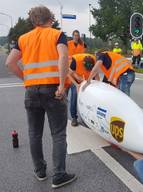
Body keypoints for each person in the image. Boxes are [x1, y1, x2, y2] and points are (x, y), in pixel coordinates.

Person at [5, 6, 77, 189]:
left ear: (33, 21)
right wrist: (62, 84)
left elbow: (10, 62)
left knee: (34, 133)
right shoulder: (57, 35)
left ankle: (40, 171)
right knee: (58, 134)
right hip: (53, 89)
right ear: (50, 19)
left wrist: (27, 80)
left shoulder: (23, 39)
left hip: (32, 91)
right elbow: (63, 57)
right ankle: (59, 175)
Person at [68, 53, 100, 126]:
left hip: (87, 79)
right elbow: (69, 74)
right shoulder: (75, 61)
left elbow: (96, 75)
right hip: (76, 79)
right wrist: (76, 85)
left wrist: (97, 87)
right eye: (87, 69)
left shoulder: (95, 61)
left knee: (91, 96)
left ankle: (89, 117)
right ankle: (74, 118)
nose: (88, 70)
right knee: (75, 95)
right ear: (83, 64)